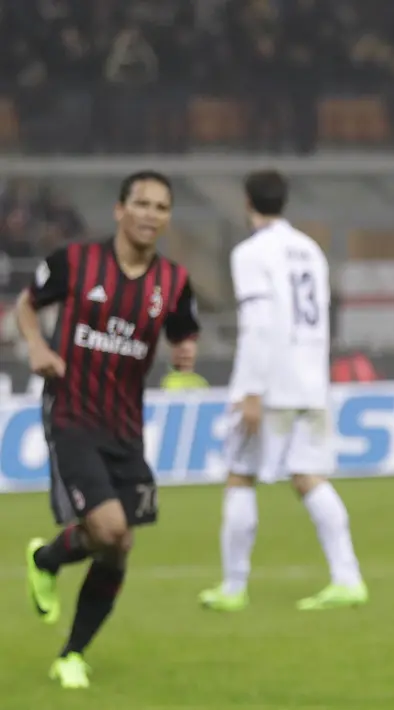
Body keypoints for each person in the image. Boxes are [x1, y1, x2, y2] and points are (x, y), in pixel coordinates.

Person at [20, 171, 201, 690]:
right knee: (111, 530)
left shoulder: (174, 281)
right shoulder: (75, 262)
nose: (150, 214)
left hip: (126, 427)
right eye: (141, 203)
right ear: (120, 210)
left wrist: (184, 352)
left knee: (117, 546)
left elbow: (183, 332)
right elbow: (26, 306)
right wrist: (36, 346)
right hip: (72, 414)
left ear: (167, 218)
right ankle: (67, 636)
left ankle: (51, 575)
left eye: (161, 207)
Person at [198, 170, 366, 612]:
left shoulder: (251, 253)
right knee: (309, 476)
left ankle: (233, 588)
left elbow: (260, 323)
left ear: (246, 201)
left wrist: (251, 389)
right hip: (310, 379)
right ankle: (347, 578)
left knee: (240, 475)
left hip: (270, 382)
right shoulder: (310, 249)